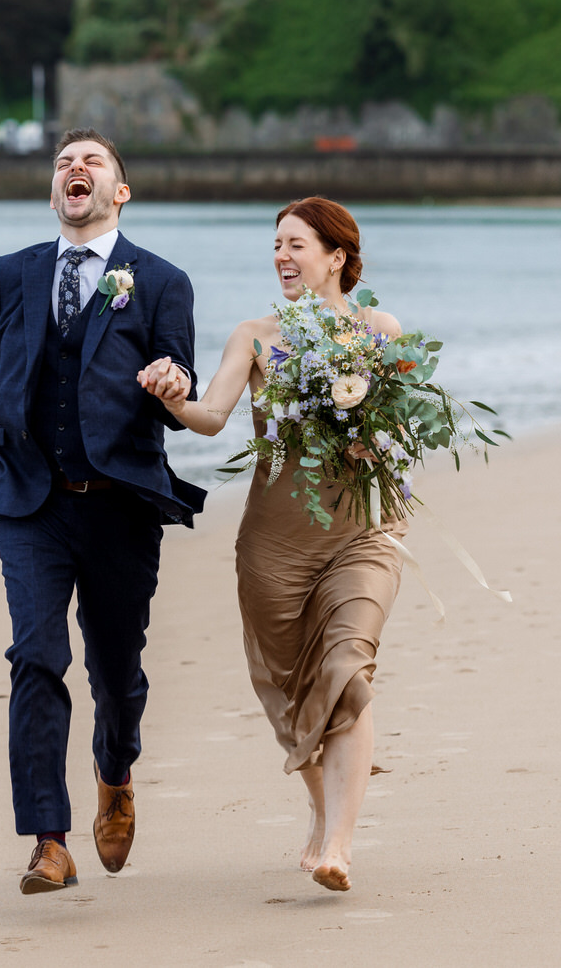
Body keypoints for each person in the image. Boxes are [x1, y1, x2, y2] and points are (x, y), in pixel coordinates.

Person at [0, 129, 204, 895]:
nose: (75, 170)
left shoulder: (161, 280)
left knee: (116, 672)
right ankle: (49, 841)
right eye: (64, 163)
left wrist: (171, 376)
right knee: (35, 656)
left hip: (121, 504)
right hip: (30, 501)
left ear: (120, 191)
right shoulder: (14, 274)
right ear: (54, 191)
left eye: (92, 162)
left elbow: (180, 367)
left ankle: (115, 768)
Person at [137, 197, 404, 893]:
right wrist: (170, 397)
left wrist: (371, 431)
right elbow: (212, 415)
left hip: (361, 529)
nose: (282, 256)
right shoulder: (254, 336)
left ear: (337, 256)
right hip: (273, 544)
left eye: (296, 244)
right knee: (290, 689)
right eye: (276, 244)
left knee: (347, 667)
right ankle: (320, 812)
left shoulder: (379, 331)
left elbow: (399, 430)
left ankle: (340, 844)